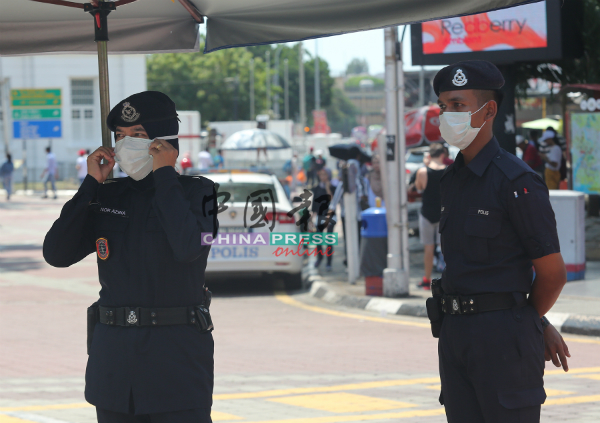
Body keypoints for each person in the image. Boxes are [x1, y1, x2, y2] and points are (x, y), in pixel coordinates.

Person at [43, 91, 218, 423]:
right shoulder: (109, 194)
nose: (126, 145)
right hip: (115, 363)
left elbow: (188, 248)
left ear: (165, 142)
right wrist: (90, 185)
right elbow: (56, 253)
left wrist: (165, 175)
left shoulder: (201, 193)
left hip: (175, 361)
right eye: (120, 137)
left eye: (138, 136)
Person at [432, 60, 570, 423]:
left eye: (458, 106)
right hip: (455, 335)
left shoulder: (517, 181)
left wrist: (526, 322)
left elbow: (552, 274)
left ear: (488, 109)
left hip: (503, 343)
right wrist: (535, 322)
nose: (447, 115)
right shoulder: (451, 180)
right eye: (443, 106)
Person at [414, 143, 447, 289]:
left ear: (429, 155)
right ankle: (448, 279)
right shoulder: (448, 171)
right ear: (442, 155)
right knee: (446, 248)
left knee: (429, 248)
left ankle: (427, 280)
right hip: (443, 214)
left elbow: (419, 187)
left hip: (427, 213)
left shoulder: (422, 172)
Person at [311, 167, 340, 271]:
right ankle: (319, 258)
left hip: (330, 216)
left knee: (329, 239)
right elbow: (315, 203)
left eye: (325, 174)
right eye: (321, 175)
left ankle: (329, 262)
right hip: (320, 216)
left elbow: (333, 200)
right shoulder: (317, 188)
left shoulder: (332, 187)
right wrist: (312, 216)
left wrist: (328, 188)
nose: (322, 177)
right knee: (318, 238)